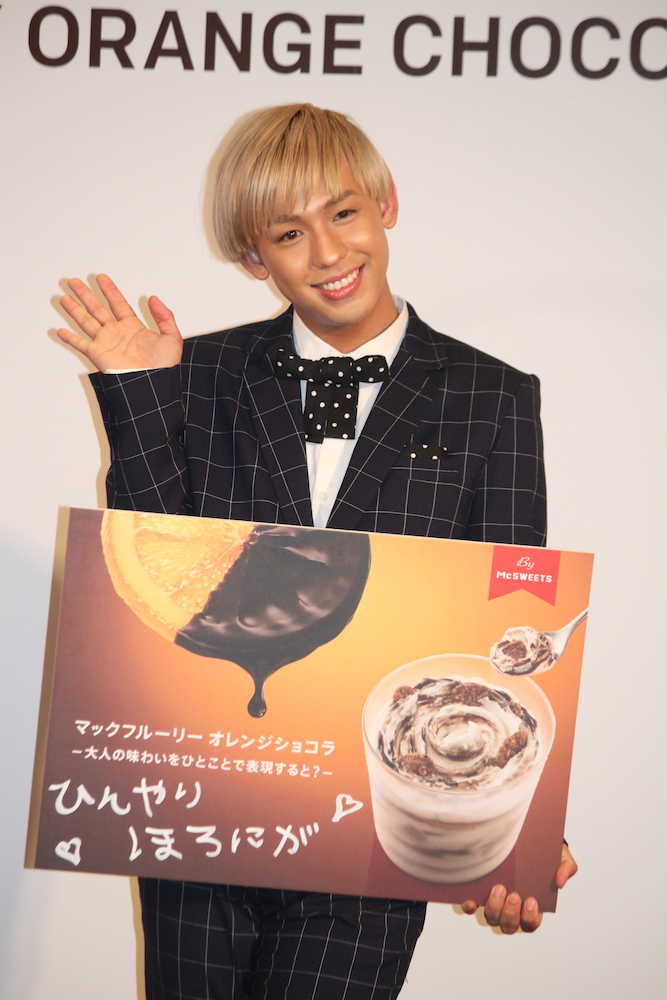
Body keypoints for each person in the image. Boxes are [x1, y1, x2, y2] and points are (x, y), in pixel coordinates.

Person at [55, 103, 578, 999]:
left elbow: (507, 611)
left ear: (386, 203)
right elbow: (149, 572)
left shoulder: (492, 395)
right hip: (208, 802)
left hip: (372, 825)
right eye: (289, 233)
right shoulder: (199, 372)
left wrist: (520, 829)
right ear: (254, 258)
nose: (328, 253)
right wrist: (141, 388)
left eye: (343, 214)